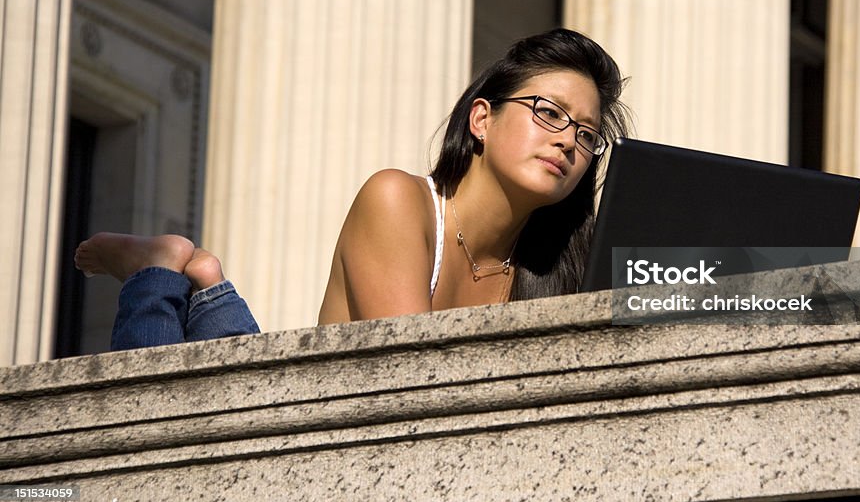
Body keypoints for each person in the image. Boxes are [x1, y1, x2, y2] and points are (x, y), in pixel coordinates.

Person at [76, 28, 632, 350]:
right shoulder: (398, 201)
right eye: (548, 112)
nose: (567, 141)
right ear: (481, 120)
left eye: (586, 134)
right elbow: (413, 374)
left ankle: (207, 285)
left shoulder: (555, 266)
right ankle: (154, 273)